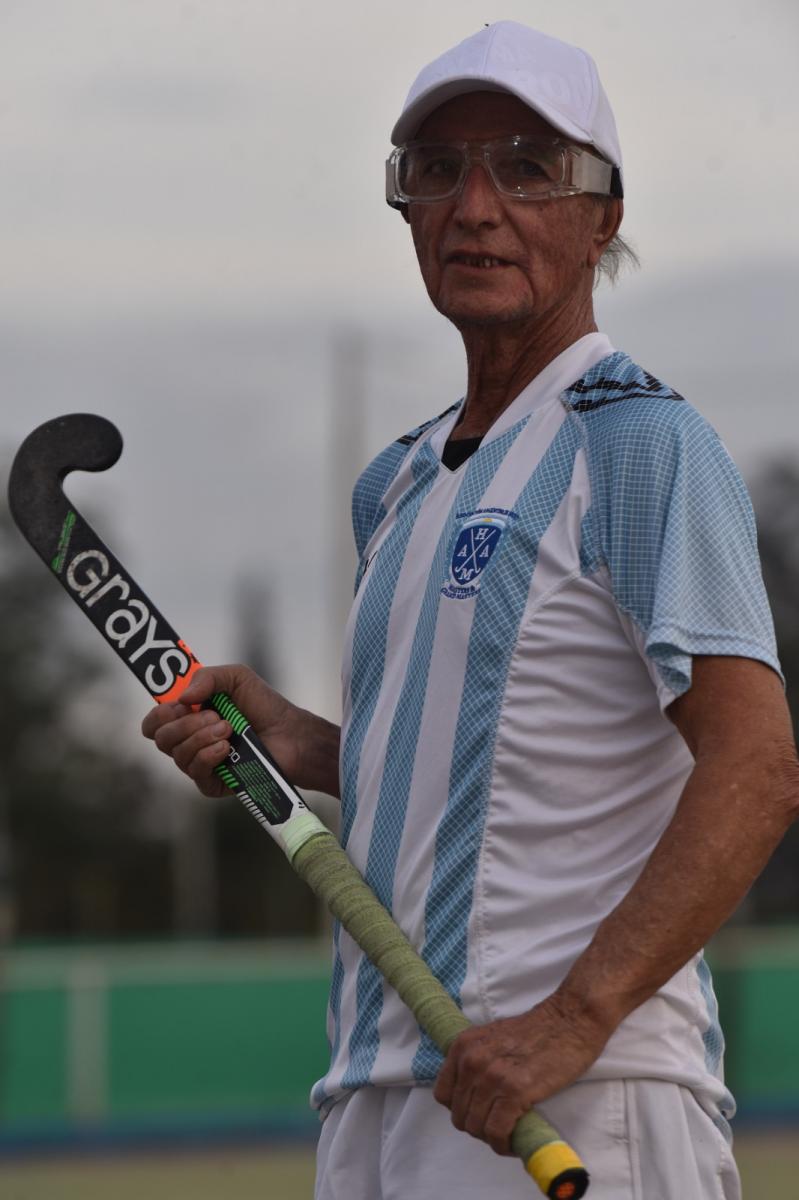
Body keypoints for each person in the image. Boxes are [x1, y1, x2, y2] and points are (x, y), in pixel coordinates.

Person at [142, 22, 798, 1200]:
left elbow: (754, 770)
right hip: (379, 1091)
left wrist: (573, 1017)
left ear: (602, 215)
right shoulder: (391, 482)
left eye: (525, 166)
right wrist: (304, 745)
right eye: (435, 171)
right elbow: (500, 774)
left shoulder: (642, 442)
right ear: (403, 211)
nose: (475, 205)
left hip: (577, 1094)